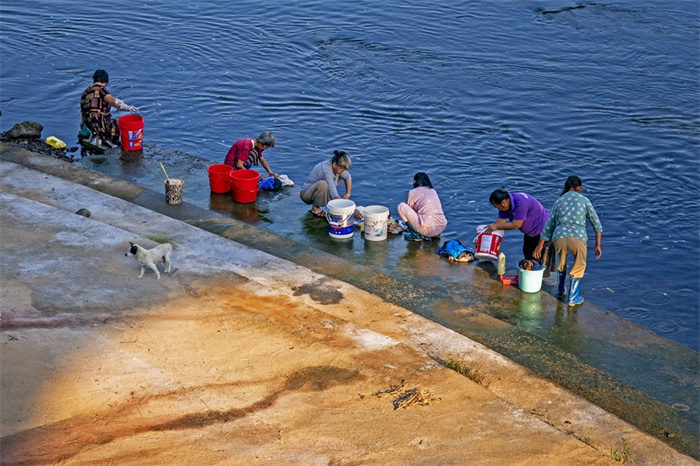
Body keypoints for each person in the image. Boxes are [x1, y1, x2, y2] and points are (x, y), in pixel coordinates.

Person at [533, 176, 602, 306]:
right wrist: (597, 245)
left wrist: (540, 246)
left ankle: (560, 291)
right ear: (579, 188)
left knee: (562, 263)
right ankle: (573, 298)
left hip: (559, 237)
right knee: (579, 266)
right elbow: (597, 225)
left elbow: (549, 226)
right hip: (578, 237)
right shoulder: (585, 200)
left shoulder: (559, 201)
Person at [485, 187, 549, 260]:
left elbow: (516, 224)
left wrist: (496, 226)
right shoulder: (504, 206)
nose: (499, 210)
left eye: (498, 207)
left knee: (543, 259)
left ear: (503, 202)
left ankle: (549, 271)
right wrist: (486, 239)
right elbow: (500, 225)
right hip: (530, 232)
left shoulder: (521, 203)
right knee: (528, 255)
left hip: (543, 230)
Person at [80, 69, 138, 147]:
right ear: (105, 81)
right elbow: (111, 100)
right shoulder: (101, 89)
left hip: (89, 124)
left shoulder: (86, 91)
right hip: (99, 125)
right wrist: (126, 107)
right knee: (118, 124)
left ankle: (100, 137)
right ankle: (111, 141)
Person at [300, 150, 353, 217]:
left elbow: (348, 177)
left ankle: (327, 201)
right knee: (323, 184)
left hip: (321, 193)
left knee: (340, 175)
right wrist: (352, 209)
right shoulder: (326, 169)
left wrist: (348, 194)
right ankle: (315, 208)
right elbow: (334, 194)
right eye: (342, 169)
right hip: (306, 195)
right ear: (334, 165)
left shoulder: (337, 167)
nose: (343, 172)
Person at [397, 172, 447, 241]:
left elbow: (411, 210)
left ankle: (415, 235)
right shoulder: (433, 191)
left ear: (415, 181)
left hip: (426, 229)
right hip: (441, 227)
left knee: (401, 206)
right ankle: (436, 235)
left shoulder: (413, 192)